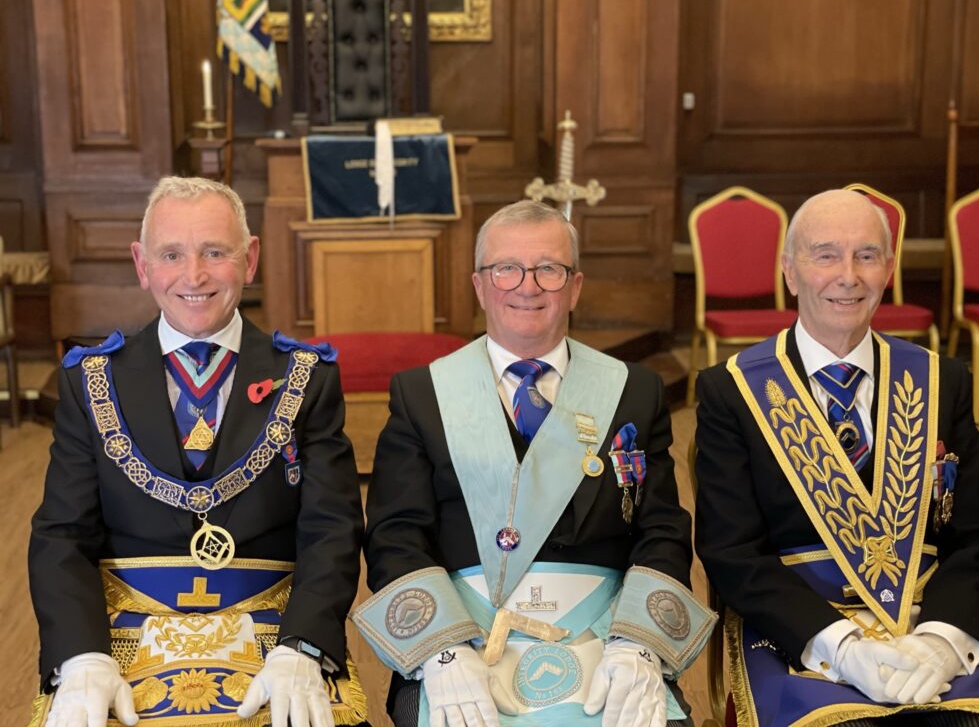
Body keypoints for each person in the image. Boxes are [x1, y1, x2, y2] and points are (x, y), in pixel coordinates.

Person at [352, 200, 715, 727]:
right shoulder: (423, 394)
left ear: (575, 286)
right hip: (466, 636)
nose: (528, 286)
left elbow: (662, 530)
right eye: (507, 269)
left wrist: (637, 645)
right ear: (480, 286)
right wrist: (442, 652)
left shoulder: (633, 391)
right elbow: (395, 536)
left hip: (603, 634)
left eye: (549, 269)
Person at [28, 177, 368, 727]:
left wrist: (302, 645)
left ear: (250, 258)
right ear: (142, 265)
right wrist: (82, 655)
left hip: (275, 630)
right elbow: (62, 534)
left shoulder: (305, 377)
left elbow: (332, 528)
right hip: (121, 629)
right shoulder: (91, 380)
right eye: (171, 255)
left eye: (215, 252)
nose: (194, 276)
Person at [694, 189, 979, 726]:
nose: (847, 276)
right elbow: (731, 553)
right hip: (802, 636)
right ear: (789, 271)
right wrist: (841, 647)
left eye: (866, 256)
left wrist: (942, 641)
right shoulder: (731, 392)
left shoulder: (941, 381)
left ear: (888, 270)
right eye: (825, 255)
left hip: (926, 626)